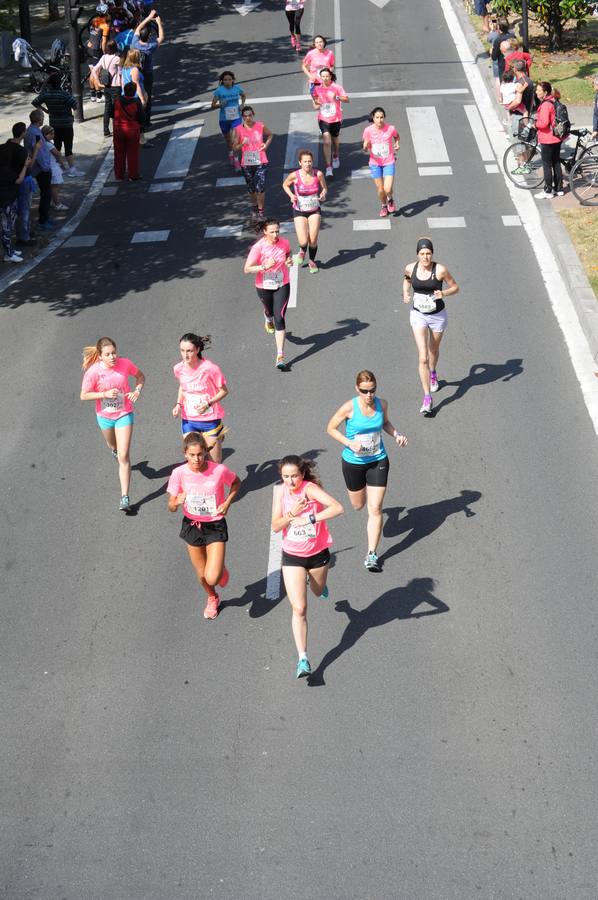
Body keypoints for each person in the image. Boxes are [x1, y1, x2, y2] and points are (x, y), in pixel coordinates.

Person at [326, 370, 408, 573]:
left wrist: (396, 434)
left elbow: (385, 423)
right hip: (353, 462)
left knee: (375, 507)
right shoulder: (349, 407)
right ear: (357, 389)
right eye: (364, 391)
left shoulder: (382, 404)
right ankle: (390, 514)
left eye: (372, 390)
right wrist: (348, 443)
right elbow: (330, 428)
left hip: (378, 460)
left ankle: (372, 554)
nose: (369, 395)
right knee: (358, 505)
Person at [271, 455, 343, 678]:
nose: (290, 481)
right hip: (292, 557)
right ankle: (303, 658)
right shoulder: (280, 492)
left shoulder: (310, 489)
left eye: (294, 476)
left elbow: (338, 508)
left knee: (318, 591)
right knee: (299, 608)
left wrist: (310, 518)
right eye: (286, 476)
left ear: (302, 474)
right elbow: (275, 526)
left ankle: (317, 582)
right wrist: (292, 514)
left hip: (317, 554)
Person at [167, 431, 240, 621]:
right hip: (192, 525)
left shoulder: (219, 470)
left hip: (215, 524)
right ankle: (212, 597)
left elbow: (236, 483)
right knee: (202, 576)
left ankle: (219, 569)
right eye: (192, 455)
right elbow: (171, 506)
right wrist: (176, 502)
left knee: (213, 577)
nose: (196, 459)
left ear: (206, 452)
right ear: (185, 453)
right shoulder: (178, 473)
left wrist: (227, 503)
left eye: (200, 454)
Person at [80, 336, 145, 511]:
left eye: (114, 353)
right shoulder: (93, 372)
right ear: (100, 356)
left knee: (124, 457)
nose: (112, 357)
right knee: (113, 446)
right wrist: (104, 394)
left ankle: (124, 497)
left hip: (124, 414)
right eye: (108, 354)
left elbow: (140, 376)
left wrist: (137, 391)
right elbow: (83, 395)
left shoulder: (125, 364)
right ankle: (114, 450)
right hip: (105, 417)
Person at [402, 238, 459, 415]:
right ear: (417, 254)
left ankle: (433, 372)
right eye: (422, 253)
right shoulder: (410, 268)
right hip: (418, 315)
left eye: (428, 253)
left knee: (433, 349)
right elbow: (407, 280)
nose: (425, 257)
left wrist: (444, 293)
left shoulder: (440, 270)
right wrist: (405, 292)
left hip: (437, 316)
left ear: (432, 254)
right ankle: (427, 397)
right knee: (423, 357)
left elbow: (455, 287)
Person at [244, 217, 293, 370]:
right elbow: (247, 269)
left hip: (282, 283)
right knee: (269, 312)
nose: (275, 234)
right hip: (263, 286)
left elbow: (288, 253)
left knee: (280, 318)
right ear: (265, 232)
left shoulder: (284, 242)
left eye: (277, 231)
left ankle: (280, 356)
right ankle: (267, 318)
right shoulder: (258, 247)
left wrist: (289, 261)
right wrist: (264, 267)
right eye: (271, 232)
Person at [172, 332, 229, 463]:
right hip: (189, 420)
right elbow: (182, 387)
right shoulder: (178, 368)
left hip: (210, 421)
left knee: (214, 463)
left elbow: (224, 391)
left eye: (189, 351)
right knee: (195, 461)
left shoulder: (210, 368)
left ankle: (218, 436)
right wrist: (178, 404)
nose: (185, 355)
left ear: (197, 350)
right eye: (182, 350)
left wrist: (208, 404)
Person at [282, 148, 327, 273]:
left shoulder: (318, 174)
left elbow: (324, 188)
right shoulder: (294, 176)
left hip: (314, 210)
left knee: (313, 240)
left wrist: (323, 194)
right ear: (300, 163)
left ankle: (312, 261)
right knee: (303, 241)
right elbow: (285, 185)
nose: (308, 164)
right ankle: (302, 249)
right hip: (299, 210)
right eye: (305, 161)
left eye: (310, 161)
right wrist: (291, 195)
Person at [32, 72, 84, 176]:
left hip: (54, 124)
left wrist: (45, 110)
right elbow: (75, 106)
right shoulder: (64, 94)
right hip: (66, 124)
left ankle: (59, 167)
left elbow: (35, 102)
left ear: (50, 84)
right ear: (60, 83)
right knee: (68, 147)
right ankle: (72, 169)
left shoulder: (46, 94)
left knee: (56, 146)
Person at [233, 106, 273, 219]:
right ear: (242, 117)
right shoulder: (238, 129)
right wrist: (242, 144)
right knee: (251, 189)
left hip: (261, 160)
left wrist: (266, 145)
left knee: (260, 187)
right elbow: (234, 147)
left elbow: (270, 135)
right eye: (245, 116)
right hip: (247, 163)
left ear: (253, 115)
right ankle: (255, 207)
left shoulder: (260, 125)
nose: (248, 118)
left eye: (250, 115)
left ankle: (261, 211)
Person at [362, 107, 400, 217]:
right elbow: (365, 147)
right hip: (375, 163)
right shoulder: (368, 130)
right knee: (380, 190)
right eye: (377, 117)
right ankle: (384, 205)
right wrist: (365, 146)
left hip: (388, 162)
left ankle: (390, 199)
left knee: (387, 188)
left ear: (384, 117)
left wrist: (397, 143)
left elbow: (397, 137)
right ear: (373, 118)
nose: (379, 120)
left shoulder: (391, 129)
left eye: (381, 117)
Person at [131, 9, 164, 132]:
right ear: (148, 36)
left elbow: (138, 29)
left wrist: (149, 17)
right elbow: (161, 37)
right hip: (148, 73)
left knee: (138, 95)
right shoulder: (150, 47)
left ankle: (138, 119)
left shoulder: (134, 43)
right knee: (147, 96)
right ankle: (146, 121)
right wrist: (158, 22)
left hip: (136, 72)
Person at [5, 121, 37, 247]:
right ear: (23, 133)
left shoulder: (5, 147)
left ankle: (24, 232)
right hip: (23, 180)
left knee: (17, 209)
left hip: (10, 181)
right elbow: (30, 165)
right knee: (24, 209)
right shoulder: (22, 151)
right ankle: (23, 236)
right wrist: (36, 150)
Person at [312, 68, 348, 177]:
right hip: (323, 119)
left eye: (327, 76)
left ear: (330, 76)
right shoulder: (317, 89)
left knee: (335, 140)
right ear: (320, 77)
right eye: (323, 76)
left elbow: (347, 99)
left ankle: (335, 155)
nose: (325, 78)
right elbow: (315, 103)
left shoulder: (337, 87)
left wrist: (336, 97)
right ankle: (328, 167)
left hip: (336, 119)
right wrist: (317, 103)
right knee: (327, 141)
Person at [0, 143, 31, 263]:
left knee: (8, 226)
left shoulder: (4, 169)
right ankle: (8, 254)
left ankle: (10, 250)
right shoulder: (4, 170)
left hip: (8, 200)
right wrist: (25, 166)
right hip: (5, 201)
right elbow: (19, 180)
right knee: (6, 228)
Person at [534, 82, 564, 199]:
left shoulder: (546, 105)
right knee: (556, 162)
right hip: (557, 137)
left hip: (547, 138)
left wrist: (535, 124)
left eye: (538, 90)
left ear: (545, 92)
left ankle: (548, 191)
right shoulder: (554, 101)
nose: (536, 92)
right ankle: (559, 189)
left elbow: (544, 123)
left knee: (546, 164)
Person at [24, 111, 53, 231]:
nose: (43, 119)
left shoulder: (33, 130)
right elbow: (39, 151)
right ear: (39, 119)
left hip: (41, 167)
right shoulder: (34, 133)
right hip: (41, 169)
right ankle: (43, 220)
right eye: (42, 117)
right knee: (46, 194)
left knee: (46, 193)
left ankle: (45, 217)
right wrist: (45, 167)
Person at [211, 71, 246, 169]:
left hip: (236, 118)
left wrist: (242, 104)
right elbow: (212, 106)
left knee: (235, 140)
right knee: (228, 140)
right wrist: (219, 105)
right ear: (222, 81)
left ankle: (236, 161)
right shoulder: (219, 91)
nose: (227, 82)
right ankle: (230, 154)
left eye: (229, 80)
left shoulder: (237, 88)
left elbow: (243, 95)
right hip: (224, 119)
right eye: (225, 80)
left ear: (233, 80)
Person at [113, 81, 145, 180]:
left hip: (118, 130)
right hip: (132, 130)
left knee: (119, 153)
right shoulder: (136, 102)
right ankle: (133, 175)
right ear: (134, 92)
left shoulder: (117, 101)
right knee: (132, 154)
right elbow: (142, 117)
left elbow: (111, 113)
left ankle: (119, 175)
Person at [90, 40, 122, 136]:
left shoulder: (103, 57)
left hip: (106, 85)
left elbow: (94, 70)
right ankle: (117, 129)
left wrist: (98, 82)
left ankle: (106, 130)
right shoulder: (117, 59)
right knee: (117, 108)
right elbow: (120, 73)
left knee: (107, 107)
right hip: (116, 85)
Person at [41, 125, 69, 210]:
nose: (53, 135)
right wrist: (63, 165)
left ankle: (52, 202)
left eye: (53, 134)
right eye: (51, 134)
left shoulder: (43, 143)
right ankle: (57, 204)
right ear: (45, 134)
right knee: (55, 187)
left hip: (49, 167)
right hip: (53, 167)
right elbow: (57, 155)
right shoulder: (49, 145)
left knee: (51, 187)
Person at [488, 19, 516, 100]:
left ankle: (501, 98)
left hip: (502, 64)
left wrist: (491, 51)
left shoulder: (498, 39)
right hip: (513, 62)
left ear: (499, 27)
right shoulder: (512, 36)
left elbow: (494, 57)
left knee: (500, 80)